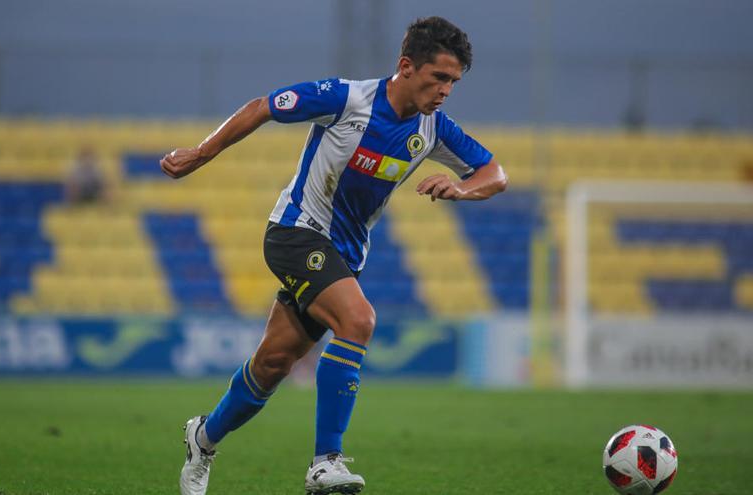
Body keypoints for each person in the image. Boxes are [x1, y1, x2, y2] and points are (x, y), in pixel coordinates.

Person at [161, 16, 507, 495]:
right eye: (438, 77)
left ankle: (203, 437)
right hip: (295, 231)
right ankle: (326, 462)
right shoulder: (348, 99)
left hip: (344, 253)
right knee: (358, 320)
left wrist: (462, 189)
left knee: (272, 365)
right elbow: (263, 106)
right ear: (406, 66)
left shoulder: (433, 129)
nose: (446, 90)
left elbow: (495, 172)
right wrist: (201, 153)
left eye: (454, 81)